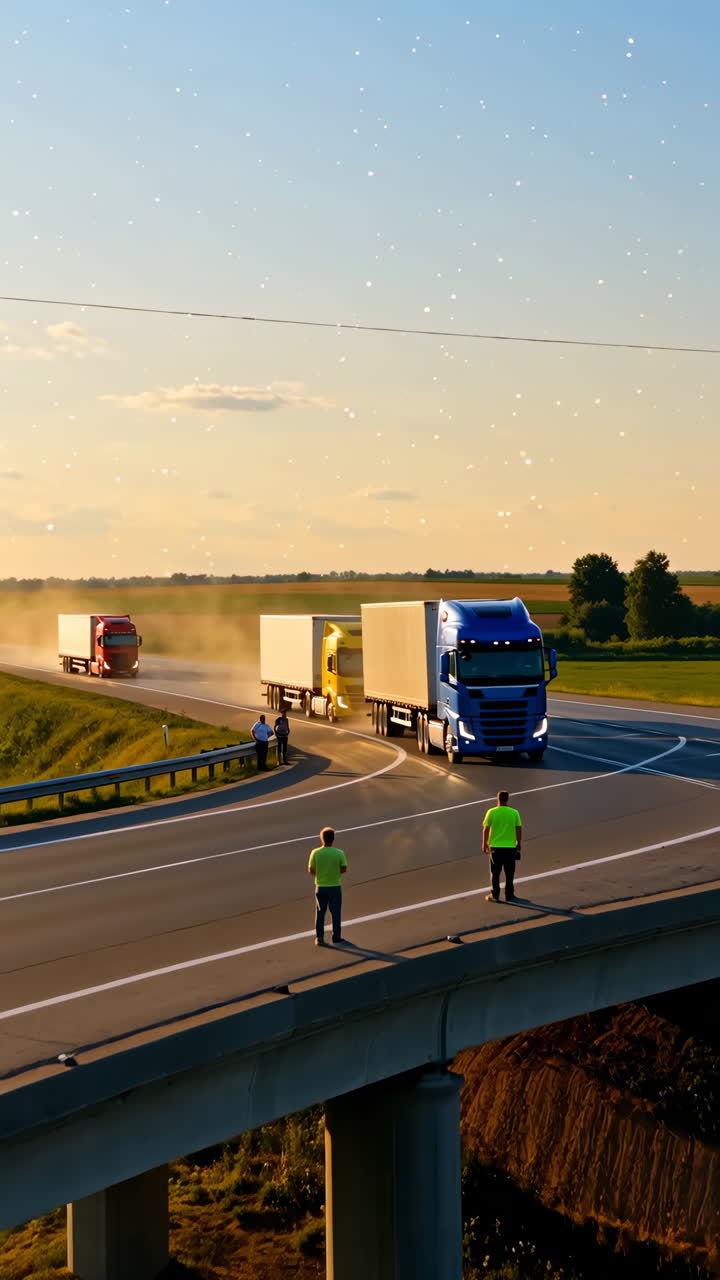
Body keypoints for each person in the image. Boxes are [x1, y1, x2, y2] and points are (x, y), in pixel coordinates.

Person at [308, 826, 348, 946]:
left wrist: (320, 874)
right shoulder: (339, 853)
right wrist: (334, 873)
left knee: (320, 913)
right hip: (335, 886)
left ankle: (319, 938)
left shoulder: (315, 852)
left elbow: (311, 870)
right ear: (333, 839)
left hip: (320, 887)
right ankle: (336, 937)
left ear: (322, 839)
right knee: (336, 913)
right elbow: (344, 868)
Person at [482, 790, 522, 902]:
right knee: (509, 873)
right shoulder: (514, 812)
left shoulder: (491, 812)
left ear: (498, 799)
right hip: (510, 847)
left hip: (495, 847)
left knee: (495, 873)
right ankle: (510, 895)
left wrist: (485, 843)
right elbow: (518, 828)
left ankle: (495, 895)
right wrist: (518, 843)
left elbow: (486, 828)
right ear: (507, 799)